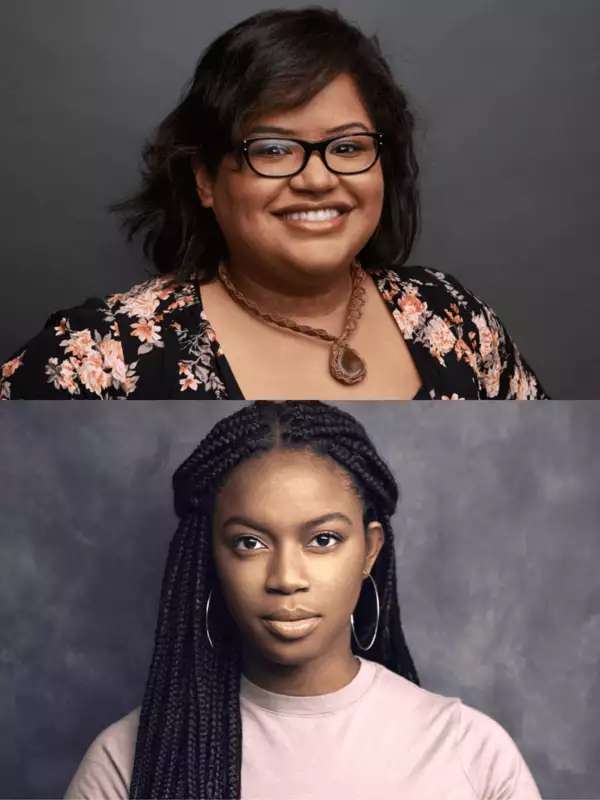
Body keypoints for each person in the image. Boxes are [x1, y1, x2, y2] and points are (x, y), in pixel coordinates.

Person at [1, 7, 546, 401]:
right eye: (274, 149)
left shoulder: (454, 317)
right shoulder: (100, 356)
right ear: (206, 180)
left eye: (348, 146)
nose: (317, 177)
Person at [65, 401, 541, 798]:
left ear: (369, 551)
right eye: (250, 543)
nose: (287, 579)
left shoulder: (469, 750)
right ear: (210, 557)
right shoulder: (128, 760)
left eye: (323, 540)